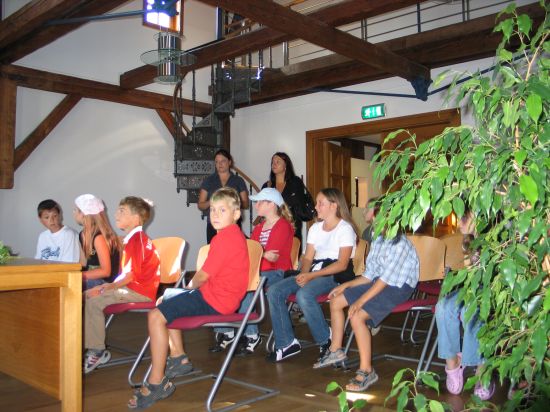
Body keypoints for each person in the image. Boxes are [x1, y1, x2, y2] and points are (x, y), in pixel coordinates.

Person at [127, 187, 249, 409]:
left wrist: (188, 288)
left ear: (236, 214)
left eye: (222, 210)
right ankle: (179, 357)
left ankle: (157, 382)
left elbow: (202, 276)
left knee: (155, 316)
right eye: (212, 209)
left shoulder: (225, 239)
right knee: (168, 297)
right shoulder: (232, 235)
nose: (215, 214)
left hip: (216, 300)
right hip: (218, 296)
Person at [315, 219, 419, 392]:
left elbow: (385, 281)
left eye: (373, 215)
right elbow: (369, 275)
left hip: (398, 287)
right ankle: (335, 349)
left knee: (357, 315)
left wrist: (360, 301)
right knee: (336, 300)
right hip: (378, 282)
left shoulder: (399, 243)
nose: (368, 218)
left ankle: (366, 370)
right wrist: (346, 285)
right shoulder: (377, 237)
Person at [266, 188, 357, 362]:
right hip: (315, 272)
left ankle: (326, 340)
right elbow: (308, 257)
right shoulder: (315, 228)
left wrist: (310, 277)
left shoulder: (345, 229)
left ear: (333, 206)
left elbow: (342, 264)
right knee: (274, 291)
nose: (315, 207)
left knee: (304, 294)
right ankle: (287, 343)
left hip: (335, 275)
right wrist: (304, 274)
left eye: (320, 203)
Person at [210, 187, 294, 355]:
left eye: (260, 202)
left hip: (277, 273)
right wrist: (261, 253)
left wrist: (258, 253)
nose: (256, 206)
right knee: (221, 281)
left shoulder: (283, 226)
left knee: (247, 287)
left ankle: (252, 335)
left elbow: (272, 258)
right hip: (258, 271)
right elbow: (251, 252)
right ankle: (226, 331)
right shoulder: (259, 227)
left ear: (272, 205)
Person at [83, 196, 160, 374]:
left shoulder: (138, 240)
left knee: (93, 302)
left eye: (122, 211)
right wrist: (107, 287)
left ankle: (96, 351)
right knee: (88, 295)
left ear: (136, 218)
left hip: (140, 291)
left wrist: (107, 287)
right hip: (131, 287)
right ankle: (90, 343)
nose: (116, 214)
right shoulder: (132, 239)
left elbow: (131, 275)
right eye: (118, 210)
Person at [435, 210, 495, 400]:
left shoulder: (497, 239)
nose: (458, 223)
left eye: (463, 218)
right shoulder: (467, 241)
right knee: (443, 307)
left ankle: (482, 369)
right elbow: (470, 276)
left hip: (492, 289)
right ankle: (452, 362)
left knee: (474, 308)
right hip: (471, 287)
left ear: (478, 216)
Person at [198, 149, 249, 243]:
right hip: (214, 224)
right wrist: (213, 201)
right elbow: (200, 205)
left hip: (233, 223)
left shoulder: (238, 180)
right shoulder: (208, 180)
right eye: (217, 162)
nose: (219, 164)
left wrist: (232, 202)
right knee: (214, 250)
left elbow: (246, 204)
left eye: (223, 161)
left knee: (234, 250)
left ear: (229, 162)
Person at [261, 152, 314, 245]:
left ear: (286, 165)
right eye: (273, 162)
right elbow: (263, 208)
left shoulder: (295, 182)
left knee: (291, 252)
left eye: (278, 161)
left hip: (292, 227)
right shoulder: (267, 185)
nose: (274, 164)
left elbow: (298, 201)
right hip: (271, 228)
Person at [73, 194, 122, 290]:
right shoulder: (82, 234)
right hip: (92, 278)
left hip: (105, 282)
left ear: (83, 214)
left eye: (75, 210)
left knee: (73, 287)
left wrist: (78, 276)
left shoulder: (99, 237)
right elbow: (83, 263)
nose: (73, 213)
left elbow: (106, 271)